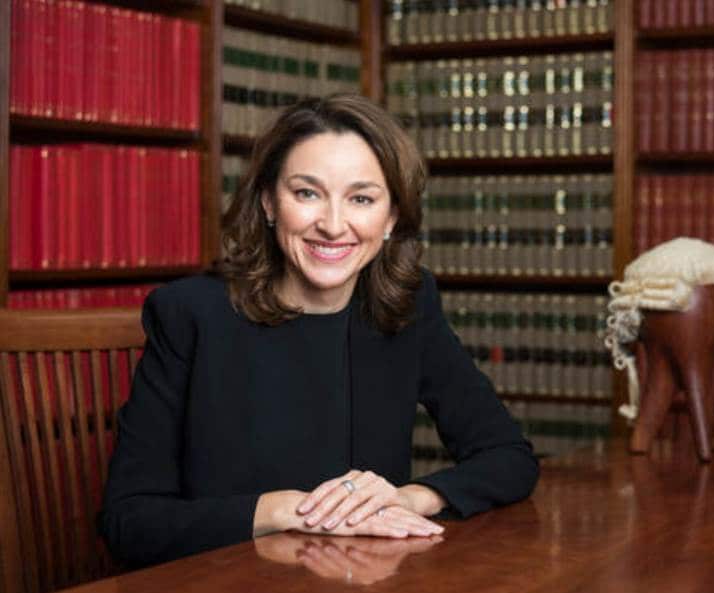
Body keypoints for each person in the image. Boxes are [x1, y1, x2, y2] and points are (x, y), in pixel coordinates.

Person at [99, 94, 540, 569]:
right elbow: (130, 522)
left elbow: (508, 457)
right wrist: (291, 510)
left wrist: (409, 499)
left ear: (391, 217)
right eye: (307, 193)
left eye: (362, 199)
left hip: (362, 580)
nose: (332, 226)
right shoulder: (190, 315)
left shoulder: (406, 306)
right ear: (269, 202)